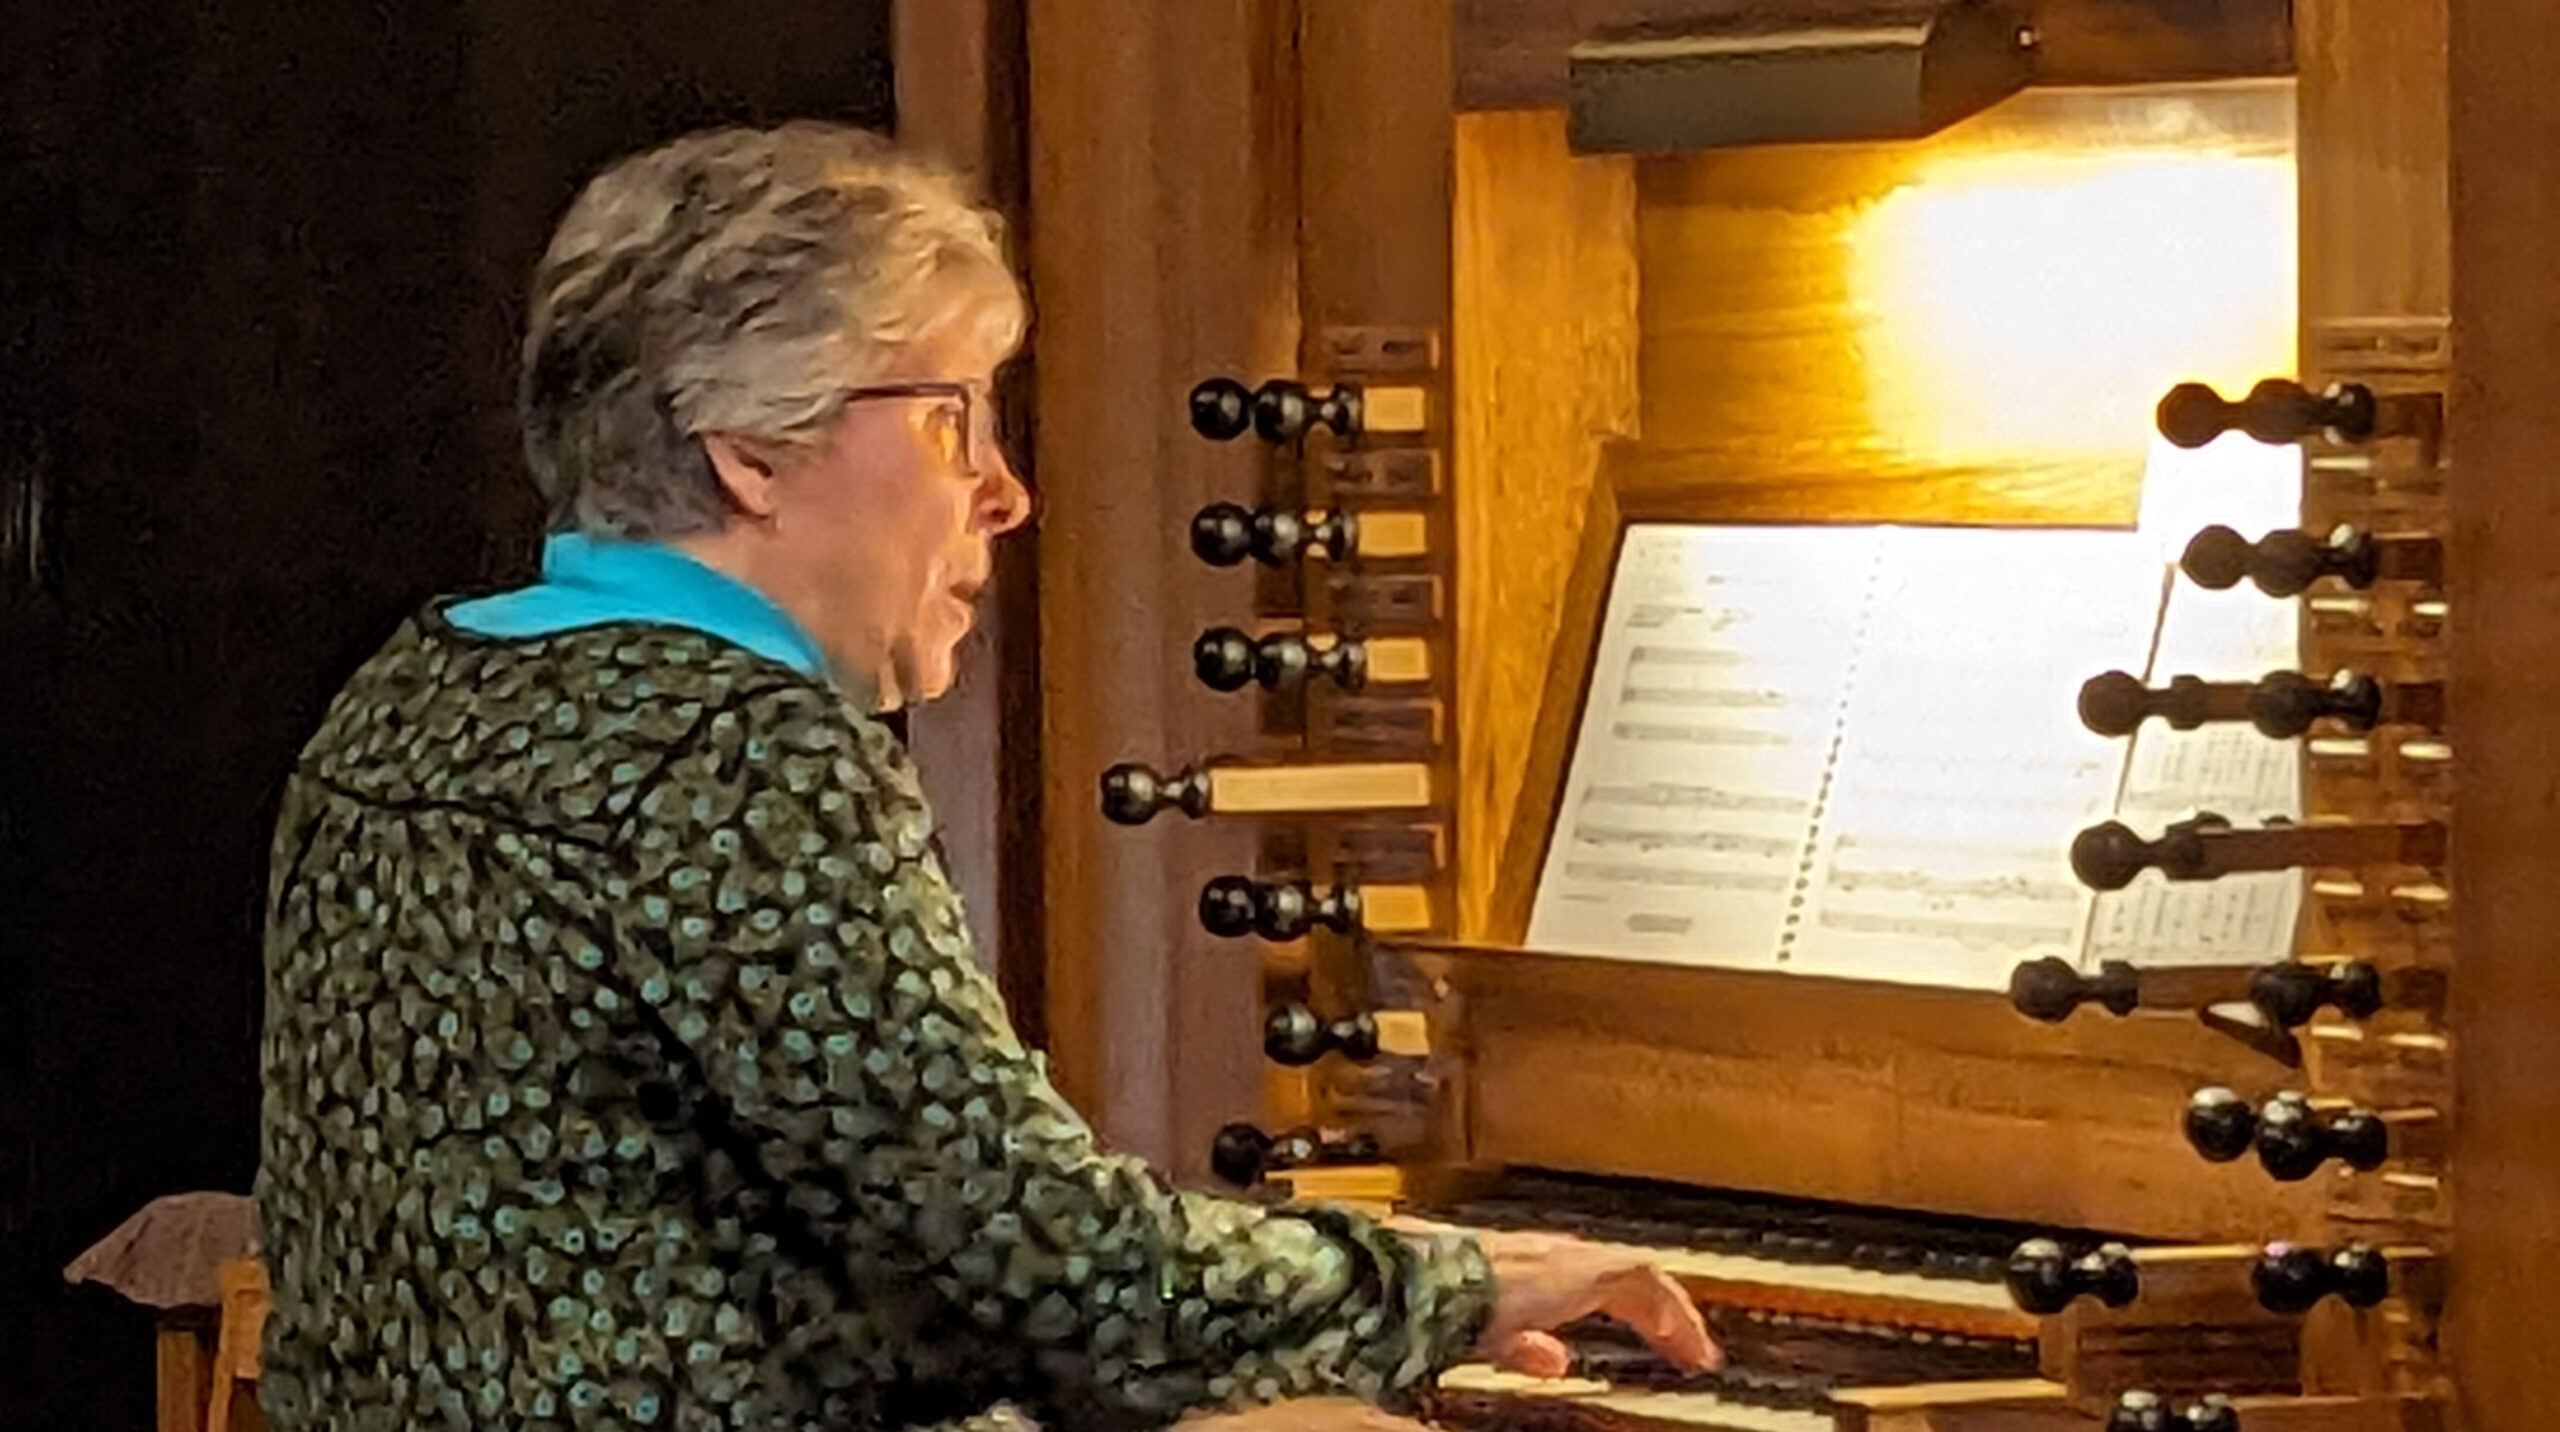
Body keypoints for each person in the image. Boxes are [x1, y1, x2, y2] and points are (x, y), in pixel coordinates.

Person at [252, 122, 1715, 1432]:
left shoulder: (411, 694)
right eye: (956, 415)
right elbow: (1053, 1263)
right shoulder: (731, 747)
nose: (1005, 490)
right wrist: (1447, 1286)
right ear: (756, 449)